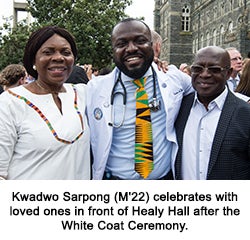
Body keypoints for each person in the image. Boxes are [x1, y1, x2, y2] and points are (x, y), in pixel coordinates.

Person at [86, 18, 193, 180]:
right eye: (121, 44)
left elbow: (208, 93)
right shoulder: (94, 89)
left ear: (153, 46)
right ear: (113, 50)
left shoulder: (174, 79)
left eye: (140, 41)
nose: (131, 48)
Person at [0, 26, 90, 180]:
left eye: (66, 52)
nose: (58, 58)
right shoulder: (9, 103)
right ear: (33, 59)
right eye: (48, 52)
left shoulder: (83, 94)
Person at [174, 46, 250, 180]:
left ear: (228, 73)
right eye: (197, 69)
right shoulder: (179, 107)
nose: (204, 74)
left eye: (214, 69)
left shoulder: (245, 113)